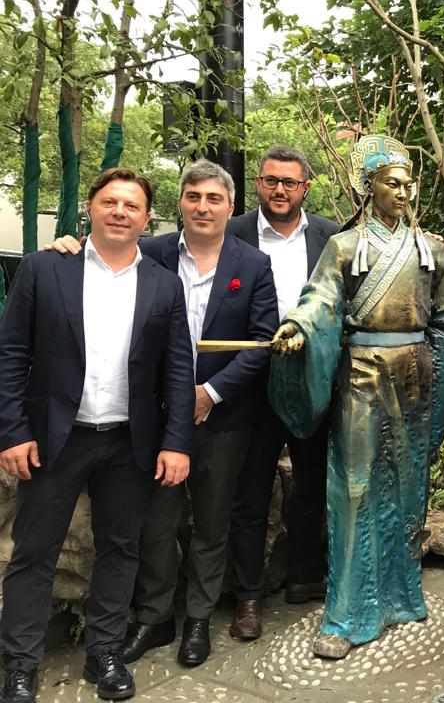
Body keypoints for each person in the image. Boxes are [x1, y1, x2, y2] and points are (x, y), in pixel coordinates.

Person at [0, 168, 194, 703]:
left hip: (130, 441)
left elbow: (178, 370)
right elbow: (11, 354)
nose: (120, 212)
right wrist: (12, 431)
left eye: (132, 206)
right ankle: (20, 666)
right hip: (54, 439)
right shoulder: (45, 268)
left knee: (120, 549)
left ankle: (104, 653)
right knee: (33, 553)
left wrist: (176, 442)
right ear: (90, 208)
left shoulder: (163, 283)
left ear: (146, 218)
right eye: (110, 202)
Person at [268, 135, 444, 660]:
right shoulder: (343, 247)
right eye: (391, 183)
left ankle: (402, 596)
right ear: (368, 187)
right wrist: (299, 327)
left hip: (415, 374)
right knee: (353, 486)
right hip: (361, 373)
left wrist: (443, 387)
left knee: (407, 484)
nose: (403, 193)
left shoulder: (431, 251)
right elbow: (321, 299)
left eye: (408, 184)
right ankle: (348, 612)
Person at [124, 160, 276, 667]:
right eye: (193, 197)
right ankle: (155, 617)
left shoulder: (252, 264)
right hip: (158, 416)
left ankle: (198, 619)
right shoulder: (150, 253)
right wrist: (65, 245)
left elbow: (261, 343)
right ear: (180, 203)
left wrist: (210, 393)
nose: (203, 207)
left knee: (212, 522)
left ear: (230, 207)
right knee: (157, 522)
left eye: (213, 198)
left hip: (224, 417)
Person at [226, 146, 341, 640]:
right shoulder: (232, 233)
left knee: (311, 483)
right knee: (250, 491)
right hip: (249, 379)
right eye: (271, 180)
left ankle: (305, 578)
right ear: (258, 183)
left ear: (305, 188)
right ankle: (248, 597)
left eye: (289, 183)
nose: (279, 190)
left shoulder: (331, 236)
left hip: (311, 379)